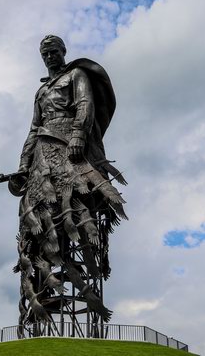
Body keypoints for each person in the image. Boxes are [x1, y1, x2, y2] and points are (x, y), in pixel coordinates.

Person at [12, 35, 127, 330]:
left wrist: (78, 135)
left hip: (70, 149)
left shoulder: (75, 75)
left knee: (75, 208)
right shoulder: (41, 91)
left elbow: (85, 106)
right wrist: (23, 167)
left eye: (54, 51)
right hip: (42, 154)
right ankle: (43, 295)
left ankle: (85, 275)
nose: (50, 56)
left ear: (64, 52)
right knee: (38, 221)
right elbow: (34, 128)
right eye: (45, 53)